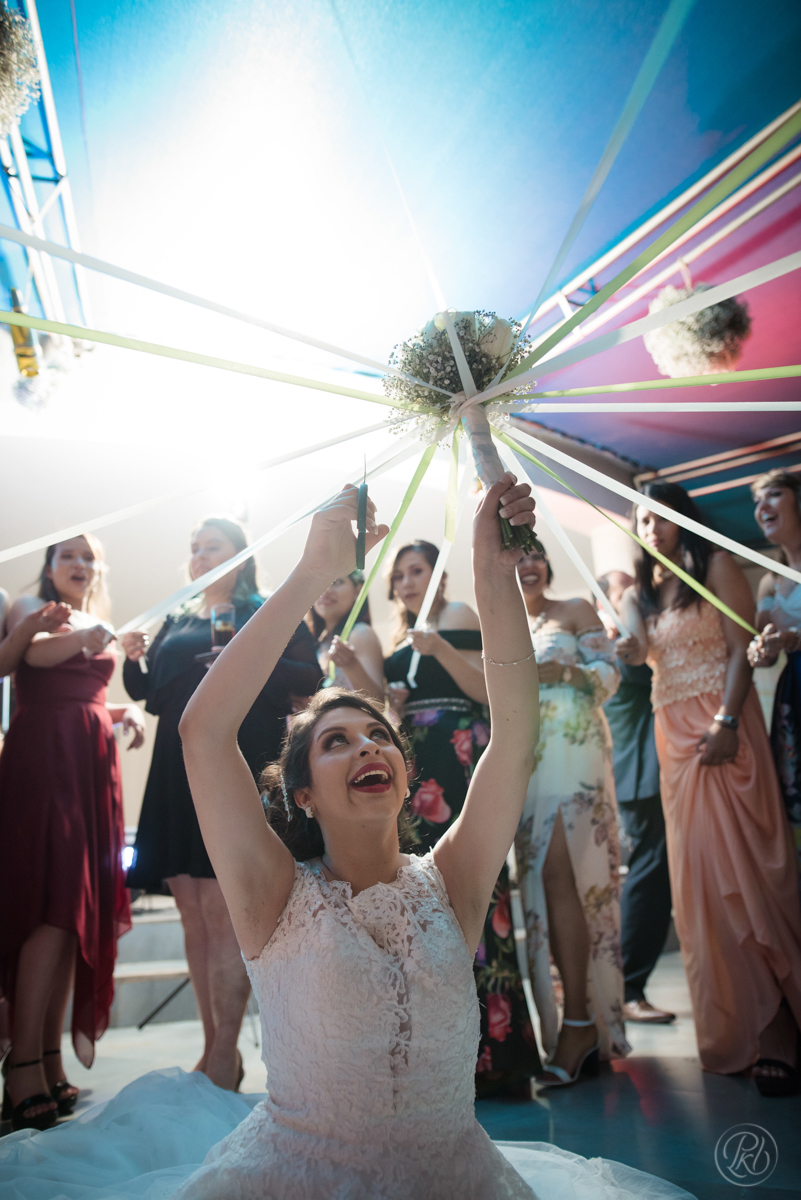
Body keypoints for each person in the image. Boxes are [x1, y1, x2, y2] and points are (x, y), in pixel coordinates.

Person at [0, 476, 693, 1200]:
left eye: (378, 735)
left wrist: (491, 569)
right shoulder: (271, 893)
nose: (368, 747)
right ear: (301, 792)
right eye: (336, 740)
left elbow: (515, 734)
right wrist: (310, 574)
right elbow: (203, 732)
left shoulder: (450, 880)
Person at [121, 516, 321, 1091]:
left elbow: (310, 673)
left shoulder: (268, 608)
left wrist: (241, 655)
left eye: (212, 546)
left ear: (241, 555)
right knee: (192, 910)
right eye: (194, 547)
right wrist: (135, 660)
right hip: (173, 769)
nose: (200, 554)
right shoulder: (178, 617)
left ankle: (223, 1053)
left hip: (239, 756)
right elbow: (153, 697)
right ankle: (216, 1050)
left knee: (223, 910)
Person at [616, 481, 801, 1096]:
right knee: (699, 886)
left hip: (722, 730)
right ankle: (740, 1024)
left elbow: (739, 651)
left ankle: (779, 1026)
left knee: (747, 876)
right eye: (641, 522)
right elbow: (640, 653)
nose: (651, 529)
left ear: (680, 518)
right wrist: (625, 632)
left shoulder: (716, 563)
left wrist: (725, 721)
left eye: (659, 517)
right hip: (673, 744)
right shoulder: (644, 593)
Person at [0, 535, 146, 1132]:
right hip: (44, 763)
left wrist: (123, 712)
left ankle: (51, 1059)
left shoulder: (95, 620)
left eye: (89, 558)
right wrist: (60, 634)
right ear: (49, 565)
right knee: (51, 910)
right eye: (69, 557)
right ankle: (21, 1064)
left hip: (91, 770)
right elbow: (20, 664)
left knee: (76, 915)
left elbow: (86, 696)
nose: (80, 566)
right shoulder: (25, 609)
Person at [383, 540, 539, 1096]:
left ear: (439, 575)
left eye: (417, 570)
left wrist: (441, 651)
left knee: (479, 889)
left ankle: (497, 1054)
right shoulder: (399, 637)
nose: (406, 581)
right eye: (398, 574)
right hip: (415, 765)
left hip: (458, 756)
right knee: (426, 897)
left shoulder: (457, 617)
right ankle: (440, 1055)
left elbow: (486, 691)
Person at [514, 548, 627, 1087]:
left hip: (573, 753)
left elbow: (610, 675)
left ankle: (581, 1021)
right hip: (524, 762)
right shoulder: (504, 621)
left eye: (534, 555)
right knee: (543, 886)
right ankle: (572, 1021)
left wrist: (565, 670)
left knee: (566, 879)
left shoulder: (576, 608)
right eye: (516, 557)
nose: (527, 566)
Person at [597, 571, 674, 1025]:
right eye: (622, 592)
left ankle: (629, 987)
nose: (634, 600)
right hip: (640, 769)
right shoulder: (616, 643)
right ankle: (630, 990)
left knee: (652, 873)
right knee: (650, 874)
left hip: (652, 766)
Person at [748, 469, 801, 877]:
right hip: (794, 692)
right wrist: (761, 648)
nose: (761, 507)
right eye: (756, 502)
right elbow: (765, 656)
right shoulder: (769, 581)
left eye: (774, 495)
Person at [308, 569, 384, 702]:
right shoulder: (319, 642)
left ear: (357, 590)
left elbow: (377, 702)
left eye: (337, 582)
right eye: (320, 583)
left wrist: (351, 665)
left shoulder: (360, 634)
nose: (326, 590)